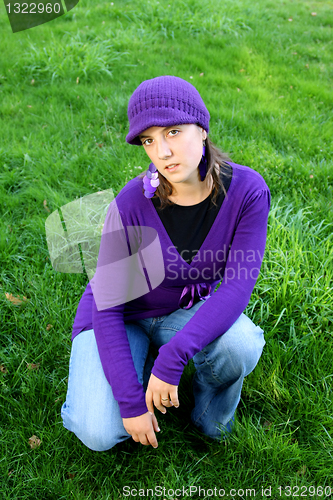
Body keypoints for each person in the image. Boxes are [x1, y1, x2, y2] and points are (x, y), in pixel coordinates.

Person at [61, 75, 271, 451]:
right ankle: (134, 372)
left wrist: (174, 358)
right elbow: (108, 305)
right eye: (148, 140)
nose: (162, 151)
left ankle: (210, 417)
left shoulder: (247, 192)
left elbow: (238, 286)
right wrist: (128, 402)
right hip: (121, 315)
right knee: (98, 432)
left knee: (241, 343)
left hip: (181, 311)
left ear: (202, 130)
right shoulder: (130, 203)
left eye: (173, 131)